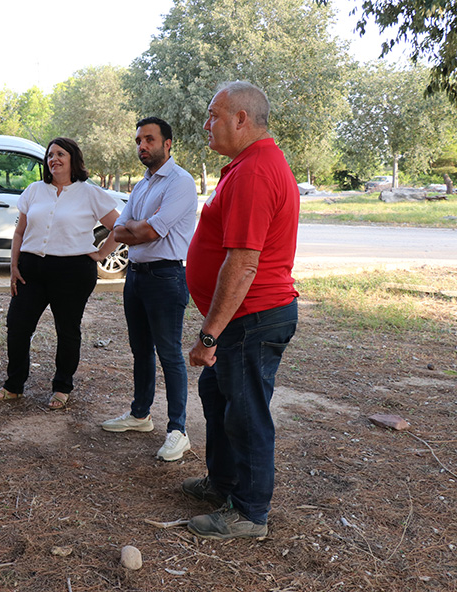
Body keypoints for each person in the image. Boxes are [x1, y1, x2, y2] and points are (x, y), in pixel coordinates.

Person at [183, 81, 299, 540]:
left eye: (214, 115)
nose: (207, 125)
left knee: (246, 412)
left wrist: (209, 334)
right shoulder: (247, 164)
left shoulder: (253, 172)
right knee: (218, 396)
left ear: (241, 119)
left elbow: (244, 261)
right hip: (243, 317)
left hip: (252, 318)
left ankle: (250, 513)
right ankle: (224, 483)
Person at [0, 137, 120, 409]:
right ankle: (14, 386)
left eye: (60, 154)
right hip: (31, 268)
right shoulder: (35, 190)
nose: (53, 159)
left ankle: (62, 387)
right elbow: (20, 232)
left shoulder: (90, 193)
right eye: (50, 155)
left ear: (73, 159)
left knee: (67, 330)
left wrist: (101, 253)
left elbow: (119, 227)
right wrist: (14, 266)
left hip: (73, 271)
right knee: (18, 326)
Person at [100, 117, 197, 462]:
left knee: (169, 354)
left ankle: (178, 430)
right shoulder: (142, 186)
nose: (142, 146)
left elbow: (149, 233)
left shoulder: (180, 183)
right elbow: (121, 228)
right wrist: (133, 229)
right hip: (136, 276)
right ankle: (140, 415)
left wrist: (133, 229)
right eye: (139, 140)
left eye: (149, 140)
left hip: (166, 278)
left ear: (167, 143)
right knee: (140, 350)